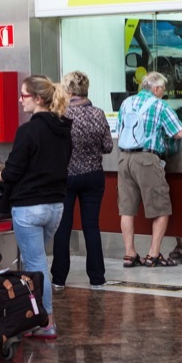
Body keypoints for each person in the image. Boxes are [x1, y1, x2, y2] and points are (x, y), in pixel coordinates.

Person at [0, 75, 72, 338]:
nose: (20, 101)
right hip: (55, 206)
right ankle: (32, 315)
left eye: (24, 96)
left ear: (38, 99)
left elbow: (12, 172)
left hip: (29, 208)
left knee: (35, 265)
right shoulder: (63, 129)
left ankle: (46, 322)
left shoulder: (28, 131)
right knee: (37, 260)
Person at [117, 72, 182, 267]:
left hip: (124, 159)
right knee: (161, 208)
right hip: (146, 159)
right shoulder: (159, 105)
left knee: (127, 210)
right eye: (163, 89)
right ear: (156, 89)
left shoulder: (126, 103)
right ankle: (153, 255)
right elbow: (180, 132)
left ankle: (130, 254)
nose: (164, 93)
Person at [50, 71, 112, 290]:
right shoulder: (98, 113)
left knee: (63, 228)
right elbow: (108, 147)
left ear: (68, 91)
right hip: (94, 176)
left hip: (66, 177)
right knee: (91, 227)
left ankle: (58, 278)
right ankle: (97, 278)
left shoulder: (60, 115)